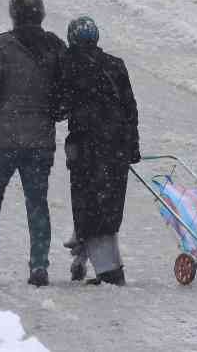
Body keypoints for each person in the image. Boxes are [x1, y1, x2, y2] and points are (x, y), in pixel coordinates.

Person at [0, 0, 67, 288]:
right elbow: (65, 92)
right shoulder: (55, 46)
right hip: (40, 140)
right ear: (41, 15)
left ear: (13, 15)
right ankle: (39, 266)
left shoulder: (1, 45)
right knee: (37, 203)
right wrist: (52, 115)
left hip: (3, 138)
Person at [56, 15, 140, 286]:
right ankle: (102, 264)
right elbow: (130, 109)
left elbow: (59, 107)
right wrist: (133, 146)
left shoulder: (70, 65)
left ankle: (108, 273)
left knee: (90, 206)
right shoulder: (115, 65)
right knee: (109, 205)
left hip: (87, 148)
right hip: (116, 146)